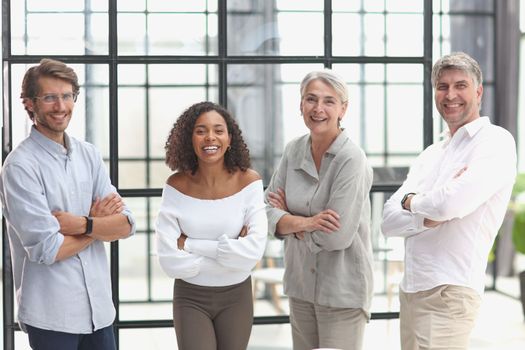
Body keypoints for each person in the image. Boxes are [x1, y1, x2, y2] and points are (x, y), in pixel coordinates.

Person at [381, 52, 517, 350]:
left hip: (450, 292)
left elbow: (448, 206)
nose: (450, 94)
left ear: (478, 91)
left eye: (460, 85)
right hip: (412, 290)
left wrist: (413, 202)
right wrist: (421, 209)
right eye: (442, 86)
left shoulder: (495, 141)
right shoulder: (432, 154)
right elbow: (388, 221)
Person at [0, 58, 136, 350]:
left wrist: (81, 223)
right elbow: (47, 249)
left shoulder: (88, 154)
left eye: (66, 96)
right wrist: (97, 225)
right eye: (49, 97)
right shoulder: (20, 167)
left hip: (99, 312)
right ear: (29, 104)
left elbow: (126, 225)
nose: (60, 106)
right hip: (52, 317)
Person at [265, 70, 374, 350]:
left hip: (342, 291)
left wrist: (288, 218)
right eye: (311, 99)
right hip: (301, 285)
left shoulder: (352, 159)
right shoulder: (293, 151)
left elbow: (335, 237)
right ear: (300, 104)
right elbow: (266, 210)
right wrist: (308, 222)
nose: (318, 108)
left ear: (343, 109)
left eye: (329, 101)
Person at [155, 101, 268, 350]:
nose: (210, 137)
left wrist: (190, 244)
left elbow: (253, 252)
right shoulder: (175, 186)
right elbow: (168, 259)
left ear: (229, 139)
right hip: (190, 297)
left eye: (218, 130)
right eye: (200, 130)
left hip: (237, 296)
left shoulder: (249, 182)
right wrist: (230, 252)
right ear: (189, 139)